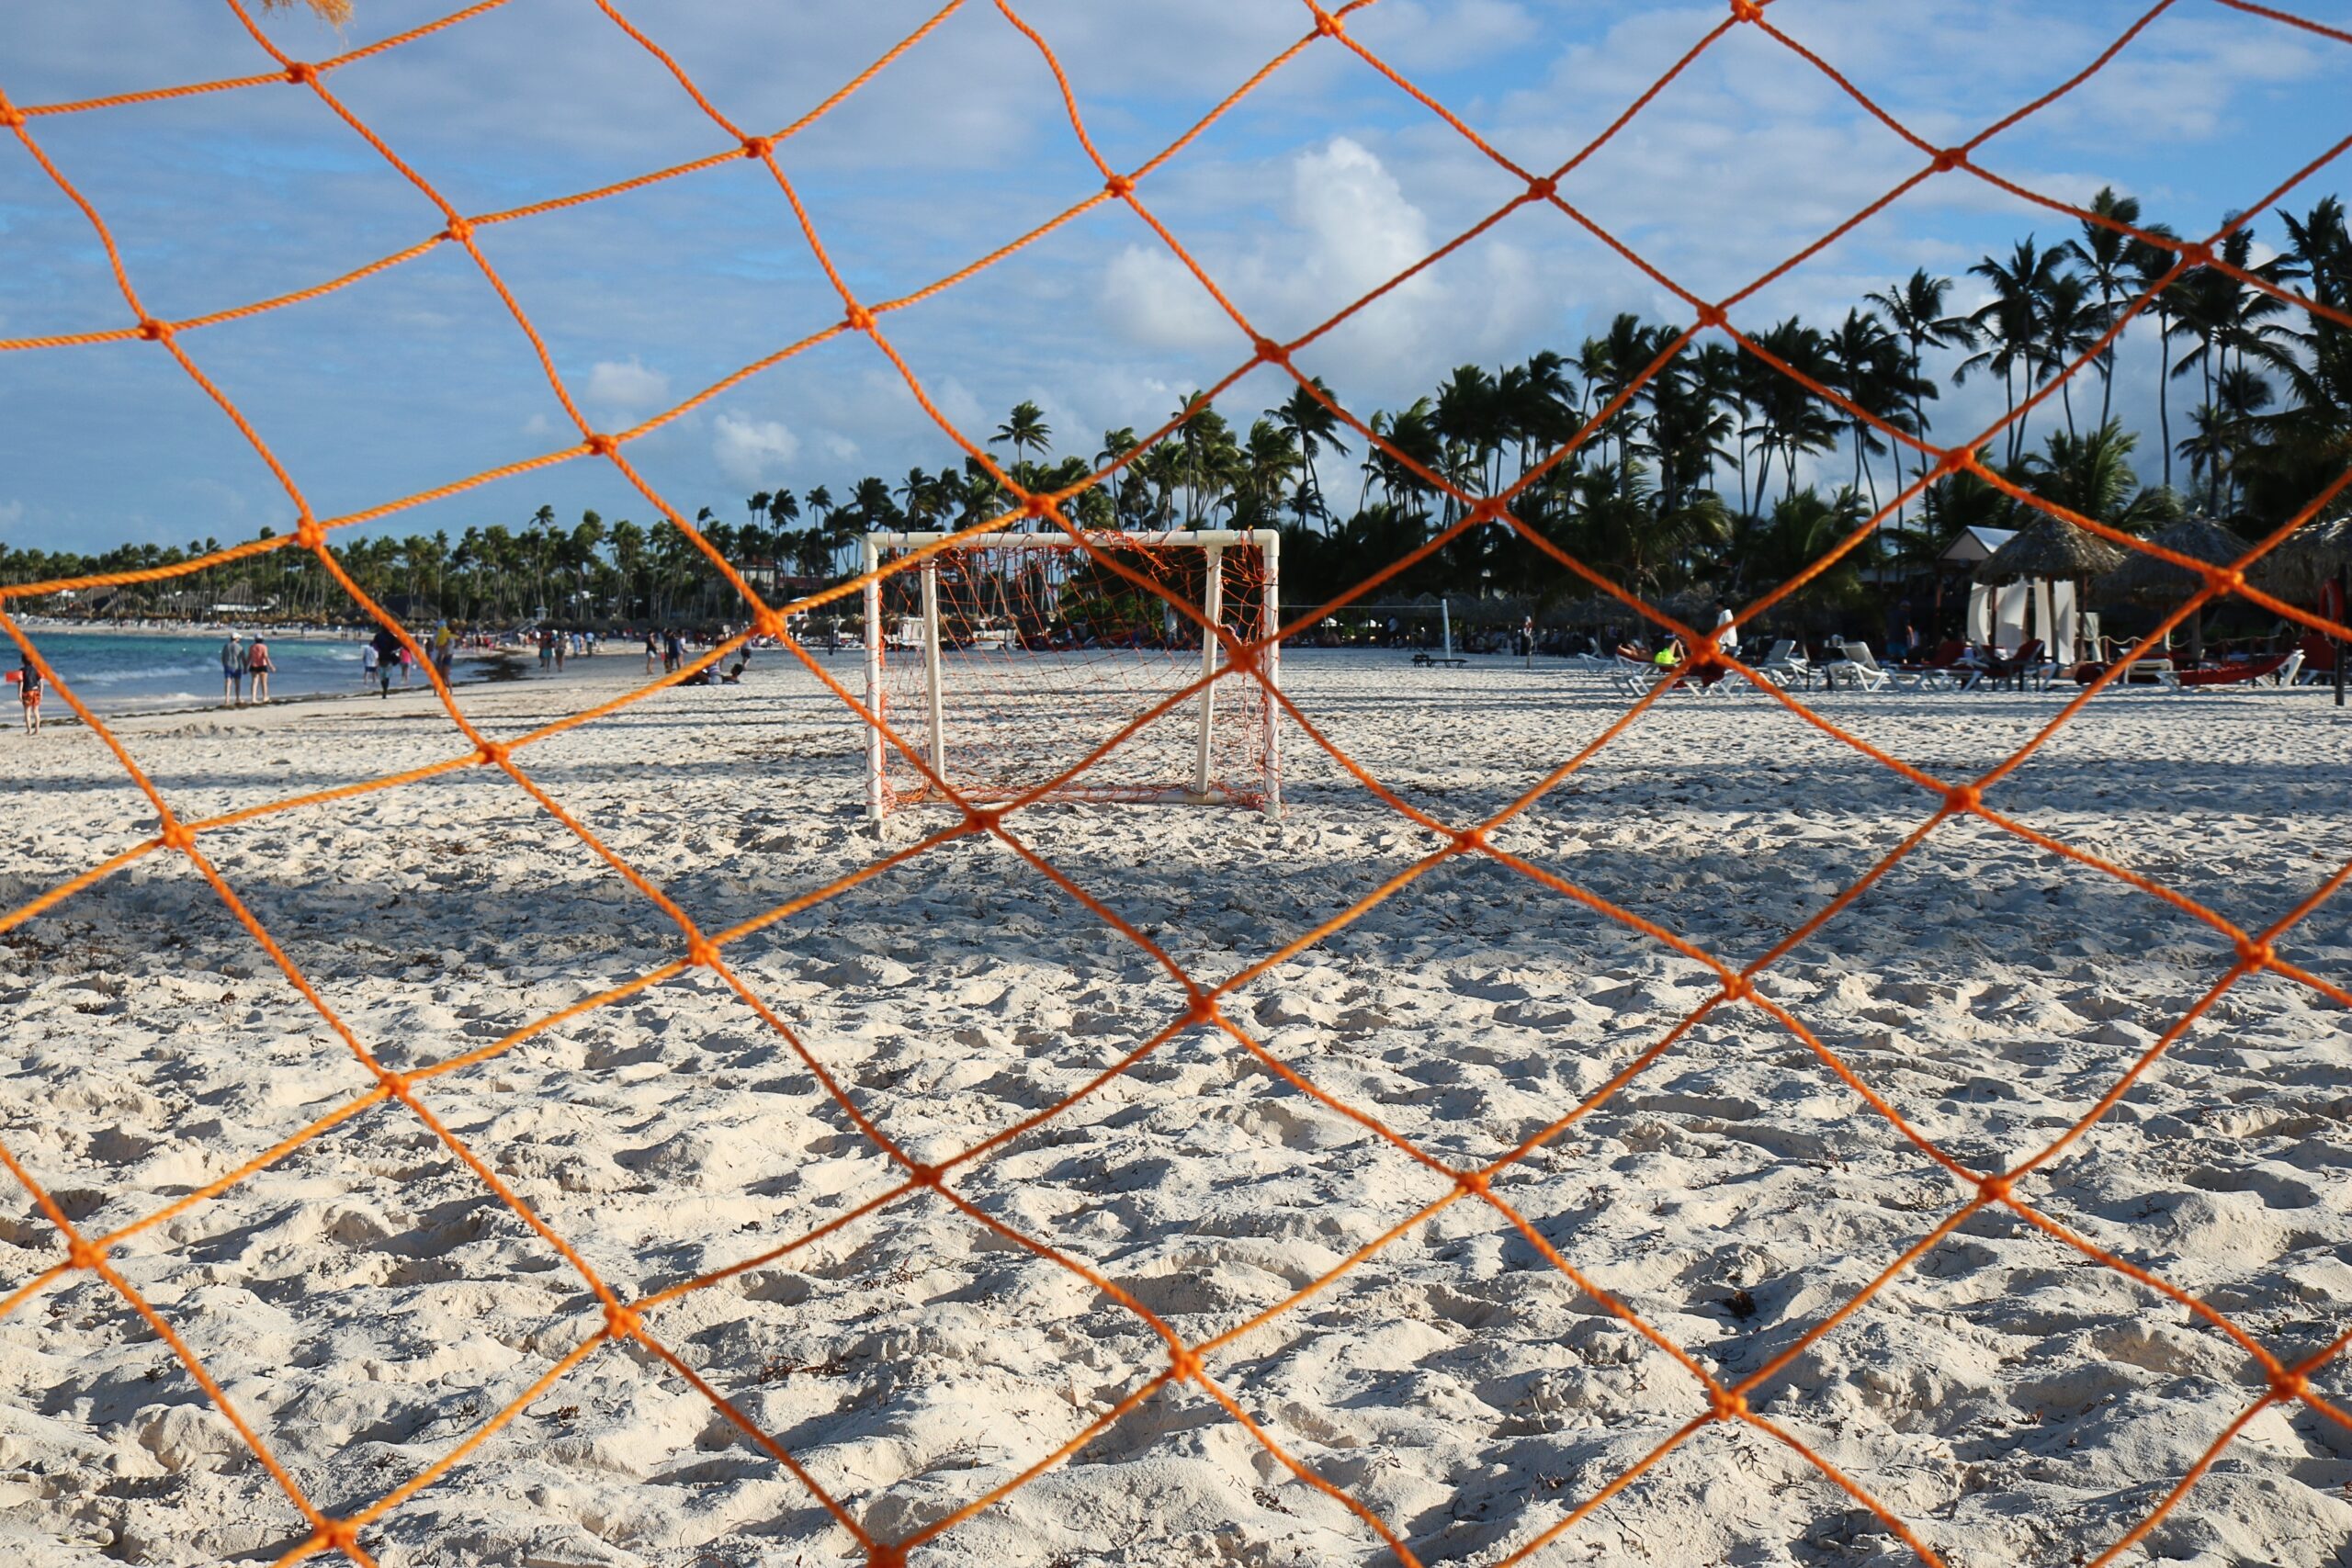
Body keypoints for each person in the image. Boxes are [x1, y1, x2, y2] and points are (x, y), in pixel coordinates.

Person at [246, 634, 275, 704]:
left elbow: (249, 657)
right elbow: (265, 656)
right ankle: (264, 697)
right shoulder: (264, 646)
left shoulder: (252, 647)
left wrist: (245, 666)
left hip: (254, 665)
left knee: (254, 682)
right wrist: (271, 666)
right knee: (264, 683)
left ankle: (253, 698)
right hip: (262, 665)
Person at [220, 631, 245, 708]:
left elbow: (223, 657)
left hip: (228, 666)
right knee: (237, 684)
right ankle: (237, 698)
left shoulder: (226, 646)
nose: (239, 639)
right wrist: (246, 667)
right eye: (238, 638)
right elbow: (243, 658)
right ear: (236, 639)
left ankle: (227, 699)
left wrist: (224, 664)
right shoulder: (239, 647)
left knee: (228, 683)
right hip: (237, 667)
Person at [17, 655, 41, 735]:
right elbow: (40, 682)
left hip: (27, 692)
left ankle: (29, 730)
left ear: (22, 661)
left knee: (27, 712)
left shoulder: (21, 670)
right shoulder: (36, 669)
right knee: (36, 711)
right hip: (36, 691)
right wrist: (41, 692)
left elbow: (21, 682)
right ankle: (37, 730)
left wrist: (19, 694)